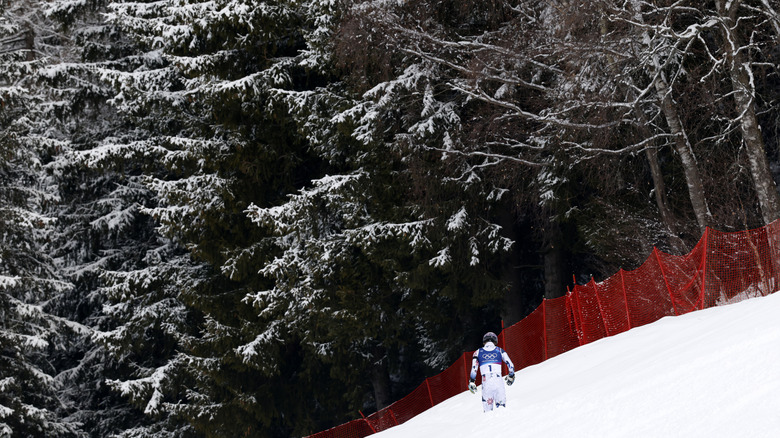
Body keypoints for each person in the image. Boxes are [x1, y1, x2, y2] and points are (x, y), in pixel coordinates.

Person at [468, 331, 515, 412]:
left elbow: (474, 368)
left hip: (486, 383)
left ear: (484, 341)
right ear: (495, 341)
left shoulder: (478, 352)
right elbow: (511, 365)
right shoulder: (500, 350)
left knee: (488, 413)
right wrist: (511, 376)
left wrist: (472, 381)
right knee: (501, 411)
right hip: (498, 381)